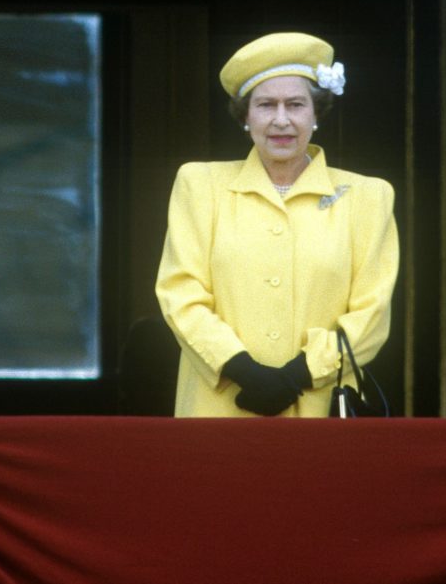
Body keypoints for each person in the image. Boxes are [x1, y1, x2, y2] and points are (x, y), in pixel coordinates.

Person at [156, 32, 399, 417]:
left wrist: (299, 375)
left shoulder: (368, 197)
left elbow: (372, 312)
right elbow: (180, 293)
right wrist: (243, 370)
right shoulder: (199, 185)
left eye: (296, 105)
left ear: (315, 114)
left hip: (321, 409)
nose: (281, 120)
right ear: (245, 115)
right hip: (219, 407)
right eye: (266, 105)